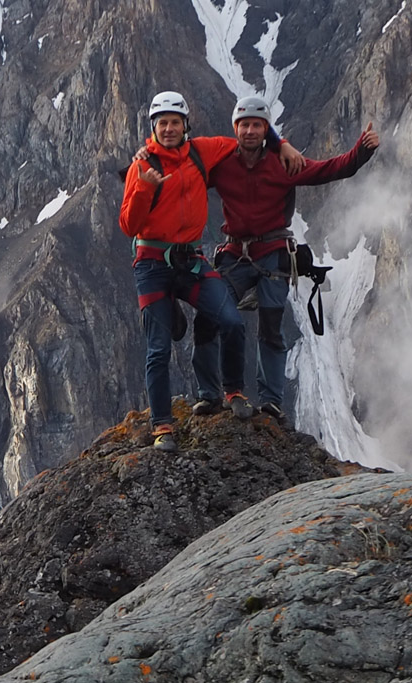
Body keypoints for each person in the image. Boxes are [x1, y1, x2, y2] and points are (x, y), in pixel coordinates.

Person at [119, 91, 302, 450]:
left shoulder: (202, 151)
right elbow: (129, 225)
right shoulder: (141, 168)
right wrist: (144, 187)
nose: (169, 129)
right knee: (157, 348)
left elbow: (248, 135)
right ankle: (162, 428)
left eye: (175, 122)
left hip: (190, 260)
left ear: (186, 125)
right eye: (163, 123)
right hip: (152, 265)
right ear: (153, 129)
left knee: (231, 321)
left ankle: (232, 390)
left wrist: (282, 144)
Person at [192, 95, 380, 422]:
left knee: (270, 328)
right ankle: (212, 394)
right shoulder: (223, 164)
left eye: (256, 125)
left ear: (266, 129)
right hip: (238, 254)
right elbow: (182, 177)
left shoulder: (283, 163)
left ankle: (270, 401)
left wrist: (361, 152)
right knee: (210, 317)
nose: (250, 131)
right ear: (235, 129)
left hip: (271, 255)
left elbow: (331, 169)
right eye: (244, 125)